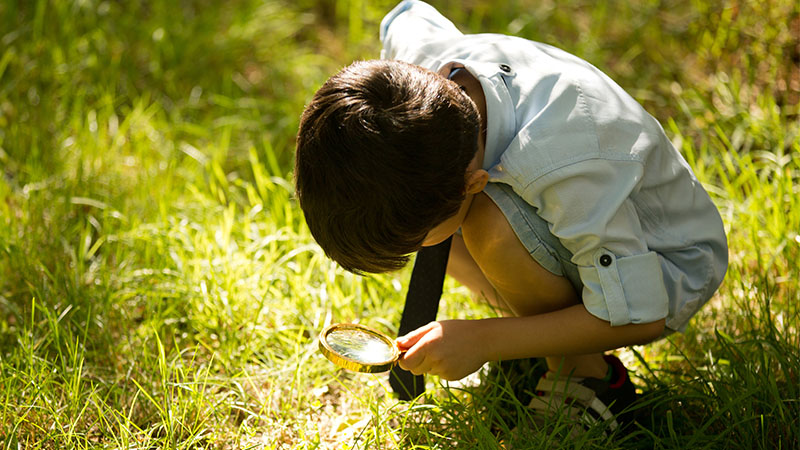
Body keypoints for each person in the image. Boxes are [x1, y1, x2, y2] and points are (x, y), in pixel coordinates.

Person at [295, 0, 727, 429]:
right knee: (460, 225)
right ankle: (537, 345)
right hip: (584, 230)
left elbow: (641, 314)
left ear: (473, 183)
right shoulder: (414, 80)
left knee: (486, 226)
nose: (414, 252)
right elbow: (406, 15)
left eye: (414, 243)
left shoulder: (563, 162)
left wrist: (486, 340)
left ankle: (586, 378)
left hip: (664, 267)